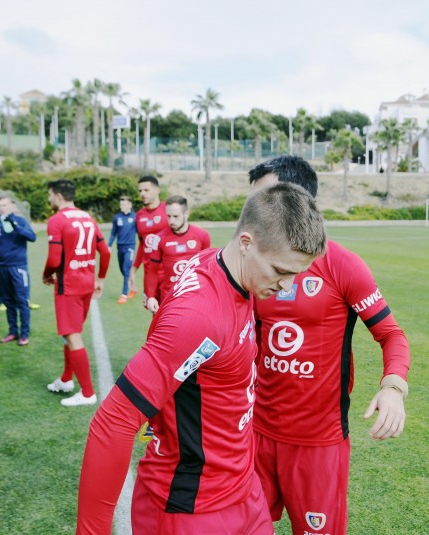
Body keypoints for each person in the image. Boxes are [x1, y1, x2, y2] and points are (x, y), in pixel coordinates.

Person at [76, 183, 328, 535]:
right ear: (246, 243)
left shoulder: (224, 267)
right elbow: (114, 421)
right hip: (192, 508)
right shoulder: (199, 316)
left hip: (243, 489)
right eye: (280, 271)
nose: (287, 286)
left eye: (296, 275)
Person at [248, 156, 411, 535]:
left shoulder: (342, 266)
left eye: (263, 199)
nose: (251, 213)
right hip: (253, 433)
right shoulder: (252, 264)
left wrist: (393, 388)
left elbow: (392, 335)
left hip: (317, 444)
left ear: (298, 198)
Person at [42, 180, 111, 407]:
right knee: (70, 333)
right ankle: (66, 379)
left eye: (50, 194)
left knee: (72, 335)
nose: (49, 199)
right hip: (86, 284)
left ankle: (88, 393)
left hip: (69, 286)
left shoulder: (57, 220)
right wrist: (100, 279)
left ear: (58, 195)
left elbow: (54, 260)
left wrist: (46, 275)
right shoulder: (88, 218)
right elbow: (105, 252)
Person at [144, 195, 211, 314]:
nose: (171, 221)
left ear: (186, 213)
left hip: (195, 297)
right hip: (168, 298)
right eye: (168, 216)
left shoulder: (202, 236)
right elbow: (152, 270)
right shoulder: (159, 238)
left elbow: (207, 269)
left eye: (175, 216)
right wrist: (151, 296)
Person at [0, 196, 36, 346]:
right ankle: (13, 332)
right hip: (2, 268)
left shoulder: (20, 221)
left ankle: (24, 334)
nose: (2, 208)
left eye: (4, 205)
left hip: (18, 267)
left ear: (11, 206)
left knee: (22, 300)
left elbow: (32, 237)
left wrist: (15, 226)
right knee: (8, 301)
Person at [128, 176, 168, 303]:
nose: (142, 194)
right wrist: (133, 269)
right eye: (140, 191)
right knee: (154, 309)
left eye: (146, 190)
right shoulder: (139, 215)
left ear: (157, 190)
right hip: (150, 273)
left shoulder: (168, 210)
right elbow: (142, 244)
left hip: (168, 273)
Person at [107, 195, 137, 305]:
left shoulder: (135, 217)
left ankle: (124, 295)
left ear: (130, 205)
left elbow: (140, 232)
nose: (121, 206)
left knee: (126, 269)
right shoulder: (117, 217)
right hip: (120, 248)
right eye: (121, 204)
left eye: (124, 204)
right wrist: (109, 245)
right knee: (123, 271)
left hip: (130, 247)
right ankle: (133, 288)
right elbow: (113, 233)